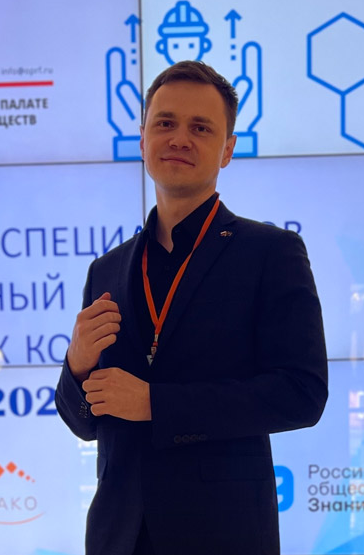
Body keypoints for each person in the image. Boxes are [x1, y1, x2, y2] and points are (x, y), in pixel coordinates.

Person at [55, 60, 328, 555]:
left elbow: (302, 394)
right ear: (143, 140)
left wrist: (156, 405)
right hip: (118, 535)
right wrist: (76, 367)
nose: (179, 138)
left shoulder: (271, 253)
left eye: (200, 128)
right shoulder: (107, 270)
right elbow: (85, 422)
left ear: (227, 150)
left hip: (223, 534)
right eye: (165, 123)